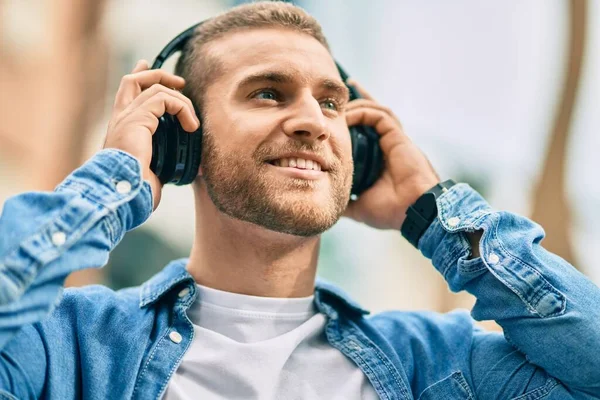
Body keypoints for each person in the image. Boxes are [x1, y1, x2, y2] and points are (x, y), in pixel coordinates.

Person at [1, 2, 599, 399]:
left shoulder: (438, 362)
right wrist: (117, 180)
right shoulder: (71, 346)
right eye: (268, 93)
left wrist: (435, 213)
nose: (313, 121)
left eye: (333, 102)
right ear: (180, 137)